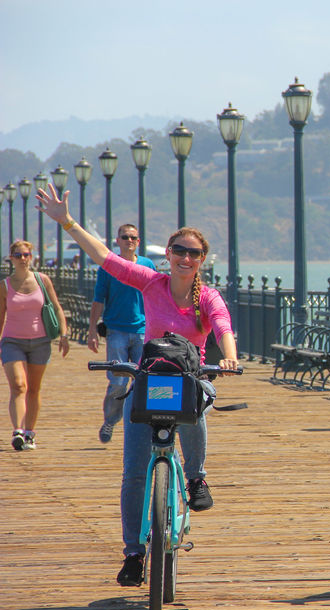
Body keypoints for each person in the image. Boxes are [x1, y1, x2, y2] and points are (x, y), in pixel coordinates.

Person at [36, 184, 239, 588]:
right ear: (168, 254)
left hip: (188, 378)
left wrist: (229, 356)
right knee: (133, 474)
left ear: (202, 259)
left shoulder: (208, 297)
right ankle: (133, 553)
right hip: (150, 380)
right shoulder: (151, 283)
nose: (185, 258)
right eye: (179, 250)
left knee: (197, 400)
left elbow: (222, 326)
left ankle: (196, 477)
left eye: (193, 253)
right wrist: (68, 222)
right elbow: (105, 258)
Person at [88, 224, 156, 444]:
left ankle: (145, 424)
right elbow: (99, 299)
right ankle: (110, 420)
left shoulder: (147, 265)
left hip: (142, 331)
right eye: (125, 237)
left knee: (144, 380)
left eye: (133, 237)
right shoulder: (108, 267)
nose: (129, 241)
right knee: (118, 381)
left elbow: (157, 295)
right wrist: (92, 330)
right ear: (117, 241)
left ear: (138, 241)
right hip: (116, 330)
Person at [0, 240, 70, 451]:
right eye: (18, 255)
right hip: (12, 341)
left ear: (31, 257)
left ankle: (29, 433)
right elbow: (0, 317)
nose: (22, 259)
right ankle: (18, 431)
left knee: (34, 388)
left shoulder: (42, 280)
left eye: (26, 255)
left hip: (40, 342)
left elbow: (56, 308)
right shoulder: (4, 286)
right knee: (18, 385)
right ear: (11, 259)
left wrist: (64, 335)